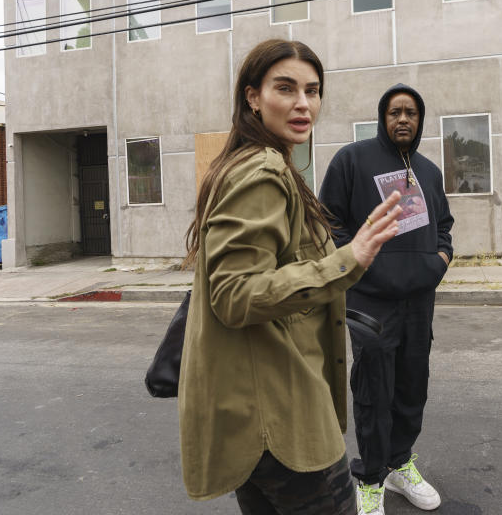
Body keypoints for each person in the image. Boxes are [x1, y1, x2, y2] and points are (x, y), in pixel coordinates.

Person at [177, 39, 403, 515]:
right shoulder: (261, 171)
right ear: (252, 97)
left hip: (259, 416)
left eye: (313, 90)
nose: (304, 103)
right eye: (286, 88)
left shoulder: (256, 163)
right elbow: (235, 295)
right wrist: (349, 258)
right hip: (279, 421)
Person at [319, 84, 454, 515]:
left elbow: (445, 225)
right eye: (395, 112)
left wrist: (440, 260)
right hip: (369, 301)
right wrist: (361, 265)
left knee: (412, 386)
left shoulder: (429, 172)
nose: (403, 120)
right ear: (383, 117)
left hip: (418, 301)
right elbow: (329, 222)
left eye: (411, 113)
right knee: (373, 390)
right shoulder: (352, 161)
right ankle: (371, 477)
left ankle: (400, 463)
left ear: (419, 120)